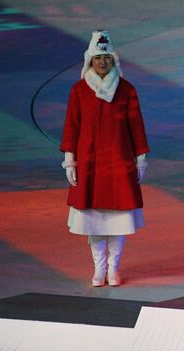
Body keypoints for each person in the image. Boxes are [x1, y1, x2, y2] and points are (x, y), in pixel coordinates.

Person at [60, 30, 150, 287]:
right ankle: (99, 268)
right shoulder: (79, 90)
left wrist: (140, 158)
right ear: (90, 60)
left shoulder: (127, 90)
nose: (102, 63)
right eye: (98, 58)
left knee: (118, 220)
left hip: (119, 163)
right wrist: (70, 160)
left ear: (114, 61)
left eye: (107, 58)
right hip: (89, 164)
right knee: (94, 221)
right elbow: (72, 127)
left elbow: (136, 126)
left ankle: (114, 268)